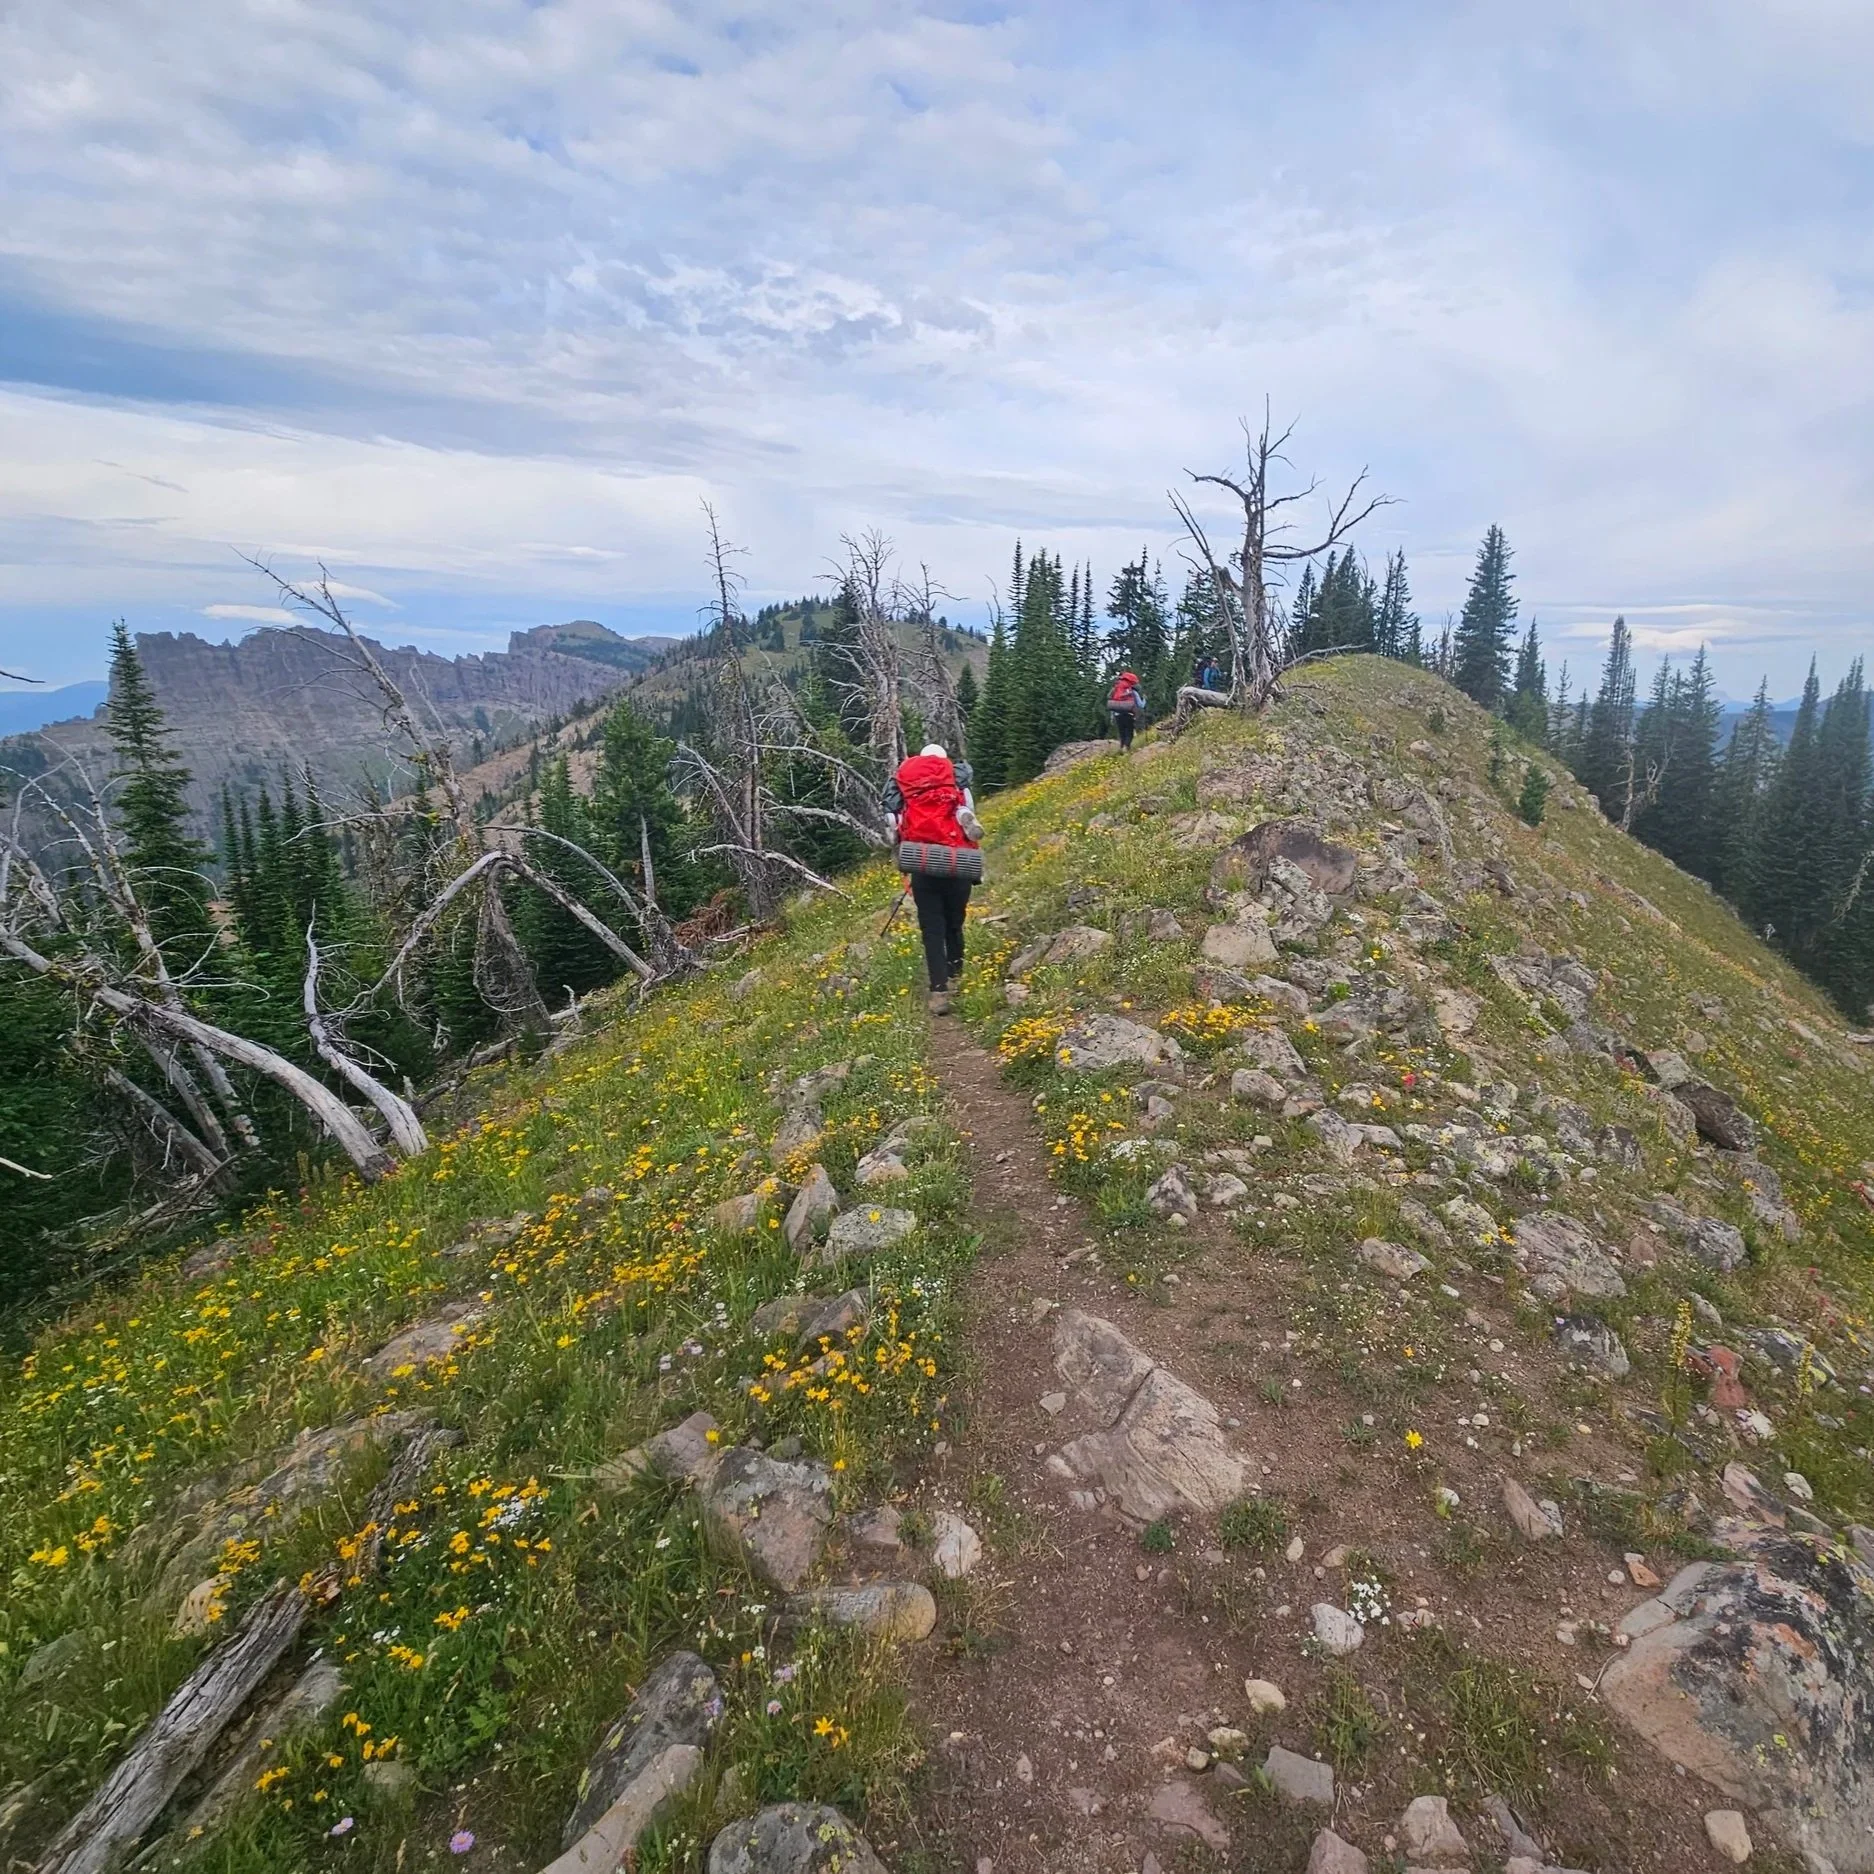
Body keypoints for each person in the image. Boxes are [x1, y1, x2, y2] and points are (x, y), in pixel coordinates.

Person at [886, 743, 982, 1013]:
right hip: (957, 863)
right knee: (955, 922)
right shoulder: (957, 783)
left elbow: (893, 825)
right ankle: (956, 974)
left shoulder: (906, 788)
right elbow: (970, 817)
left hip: (922, 864)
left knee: (932, 928)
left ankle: (938, 991)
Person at [1107, 669, 1144, 751]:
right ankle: (1126, 748)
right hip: (1129, 713)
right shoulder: (1133, 691)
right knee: (1129, 732)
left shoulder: (1116, 689)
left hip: (1117, 714)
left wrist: (1112, 717)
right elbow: (1140, 705)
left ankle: (1121, 747)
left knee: (1122, 733)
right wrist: (1145, 699)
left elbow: (1112, 701)